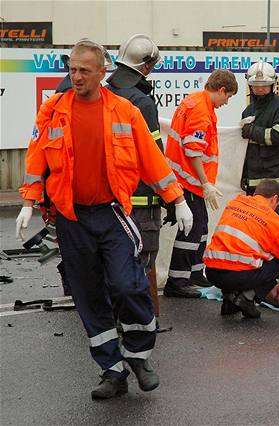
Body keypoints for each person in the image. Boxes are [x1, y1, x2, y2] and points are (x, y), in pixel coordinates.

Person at [15, 39, 193, 399]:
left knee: (128, 285)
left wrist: (177, 199)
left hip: (113, 214)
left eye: (83, 70)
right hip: (71, 218)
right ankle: (112, 371)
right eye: (72, 69)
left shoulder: (124, 111)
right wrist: (29, 202)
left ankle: (139, 355)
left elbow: (152, 160)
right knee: (89, 296)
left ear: (102, 72)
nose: (75, 76)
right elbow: (37, 159)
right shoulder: (53, 110)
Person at [164, 69, 238, 298]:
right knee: (191, 231)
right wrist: (205, 183)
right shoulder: (201, 110)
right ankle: (177, 281)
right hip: (190, 181)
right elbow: (193, 150)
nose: (226, 102)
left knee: (201, 228)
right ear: (221, 90)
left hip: (187, 180)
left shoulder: (196, 102)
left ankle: (195, 274)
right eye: (228, 97)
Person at [106, 34, 163, 313]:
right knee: (143, 259)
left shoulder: (102, 94)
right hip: (141, 200)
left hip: (106, 199)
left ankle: (114, 314)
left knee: (113, 260)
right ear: (147, 66)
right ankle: (139, 319)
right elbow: (154, 156)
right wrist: (171, 197)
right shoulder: (142, 102)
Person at [203, 179, 279, 318]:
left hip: (212, 272)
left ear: (256, 193)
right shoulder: (274, 221)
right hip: (238, 276)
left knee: (236, 253)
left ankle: (229, 299)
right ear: (275, 199)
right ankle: (247, 297)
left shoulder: (234, 203)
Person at [241, 61, 279, 236]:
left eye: (264, 86)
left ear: (272, 84)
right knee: (257, 231)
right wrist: (244, 175)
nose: (259, 89)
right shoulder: (248, 111)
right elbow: (247, 149)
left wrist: (254, 131)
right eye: (256, 86)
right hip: (255, 185)